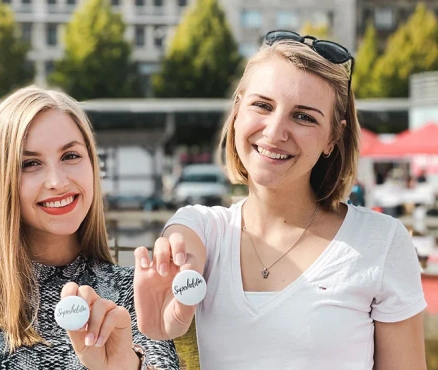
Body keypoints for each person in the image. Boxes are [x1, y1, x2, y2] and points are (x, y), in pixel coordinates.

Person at [134, 30, 427, 370]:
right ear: (237, 112)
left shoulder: (382, 241)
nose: (275, 132)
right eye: (262, 105)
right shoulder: (203, 228)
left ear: (332, 138)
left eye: (304, 116)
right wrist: (172, 300)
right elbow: (182, 254)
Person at [0, 86, 179, 370]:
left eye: (71, 156)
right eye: (30, 163)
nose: (57, 181)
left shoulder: (134, 291)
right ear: (0, 180)